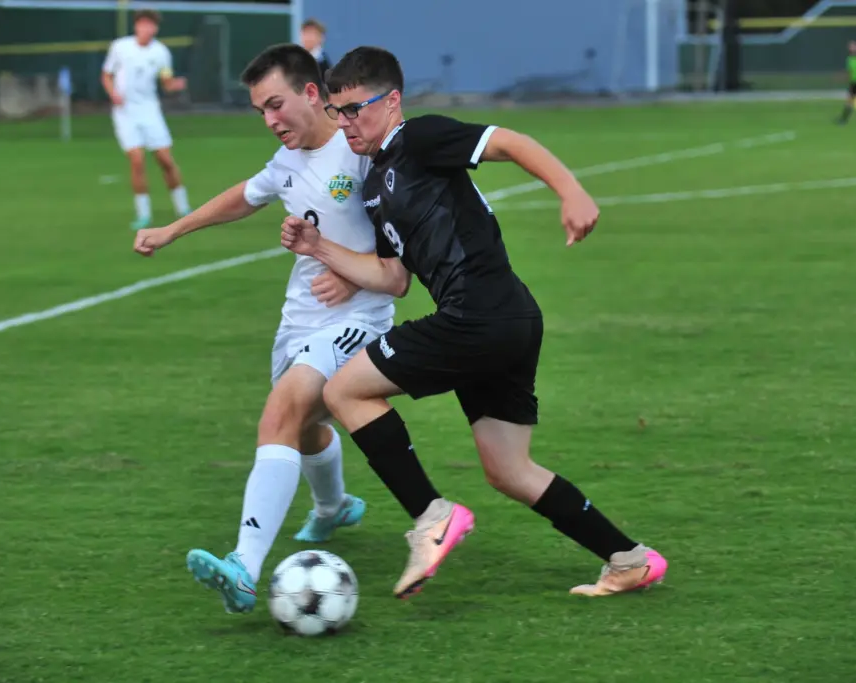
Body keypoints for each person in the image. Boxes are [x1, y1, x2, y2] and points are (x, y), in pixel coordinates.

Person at [280, 46, 668, 600]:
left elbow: (511, 142)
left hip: (478, 313)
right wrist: (319, 247)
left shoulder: (419, 138)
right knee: (508, 470)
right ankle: (630, 559)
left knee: (344, 390)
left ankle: (431, 517)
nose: (344, 123)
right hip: (506, 319)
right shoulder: (374, 186)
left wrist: (571, 191)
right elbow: (392, 278)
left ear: (391, 101)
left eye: (353, 109)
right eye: (336, 111)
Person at [133, 44, 395, 615]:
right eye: (260, 111)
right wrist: (173, 230)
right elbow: (245, 196)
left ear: (311, 93)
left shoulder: (360, 149)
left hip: (358, 319)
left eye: (275, 104)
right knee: (303, 429)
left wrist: (355, 276)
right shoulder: (287, 160)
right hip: (298, 317)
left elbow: (405, 236)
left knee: (281, 413)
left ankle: (244, 568)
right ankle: (334, 508)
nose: (270, 120)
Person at [102, 10, 192, 230]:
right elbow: (106, 75)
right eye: (142, 24)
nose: (146, 28)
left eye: (150, 25)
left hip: (150, 111)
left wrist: (176, 85)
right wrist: (113, 93)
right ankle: (143, 214)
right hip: (125, 113)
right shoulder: (120, 47)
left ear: (155, 28)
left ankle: (183, 208)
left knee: (165, 160)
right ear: (136, 26)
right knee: (137, 160)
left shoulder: (161, 52)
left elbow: (167, 83)